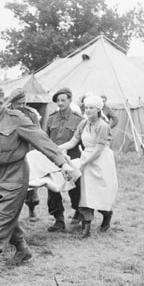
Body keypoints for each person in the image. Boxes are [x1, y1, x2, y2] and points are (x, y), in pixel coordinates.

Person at [0, 83, 75, 282]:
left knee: (1, 219)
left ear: (0, 100)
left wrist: (63, 163)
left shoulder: (17, 120)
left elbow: (42, 141)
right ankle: (23, 249)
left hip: (15, 173)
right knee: (3, 215)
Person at [60, 95, 118, 238]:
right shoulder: (83, 124)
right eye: (86, 108)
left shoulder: (103, 126)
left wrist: (82, 164)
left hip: (101, 161)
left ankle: (106, 215)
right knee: (85, 193)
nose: (88, 110)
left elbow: (98, 151)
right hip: (86, 158)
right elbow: (73, 142)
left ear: (98, 109)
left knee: (100, 192)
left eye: (92, 108)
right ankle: (86, 228)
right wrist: (54, 148)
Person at [45, 87, 84, 232]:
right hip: (54, 159)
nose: (60, 103)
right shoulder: (51, 118)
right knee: (53, 188)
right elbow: (46, 139)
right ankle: (58, 220)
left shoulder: (79, 119)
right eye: (58, 101)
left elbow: (84, 142)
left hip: (72, 159)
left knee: (75, 188)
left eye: (63, 100)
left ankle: (78, 212)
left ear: (70, 100)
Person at [6, 87, 41, 221]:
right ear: (12, 103)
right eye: (19, 104)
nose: (21, 106)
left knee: (31, 184)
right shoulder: (6, 114)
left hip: (28, 151)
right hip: (11, 152)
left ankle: (32, 208)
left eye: (23, 103)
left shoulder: (31, 114)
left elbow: (37, 134)